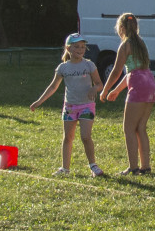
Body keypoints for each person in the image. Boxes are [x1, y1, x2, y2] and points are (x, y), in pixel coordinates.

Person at [31, 33, 105, 177]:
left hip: (86, 106)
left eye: (83, 47)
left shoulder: (89, 65)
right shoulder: (63, 68)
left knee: (85, 136)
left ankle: (93, 165)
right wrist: (39, 102)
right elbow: (53, 87)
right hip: (70, 107)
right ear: (68, 48)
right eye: (76, 46)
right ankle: (65, 168)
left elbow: (99, 84)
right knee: (68, 137)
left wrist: (94, 88)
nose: (80, 49)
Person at [99, 12, 155, 175]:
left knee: (129, 128)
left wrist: (105, 89)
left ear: (122, 28)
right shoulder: (141, 43)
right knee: (141, 127)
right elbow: (133, 71)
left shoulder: (125, 45)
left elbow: (117, 71)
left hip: (138, 86)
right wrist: (117, 90)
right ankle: (145, 167)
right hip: (150, 84)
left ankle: (133, 168)